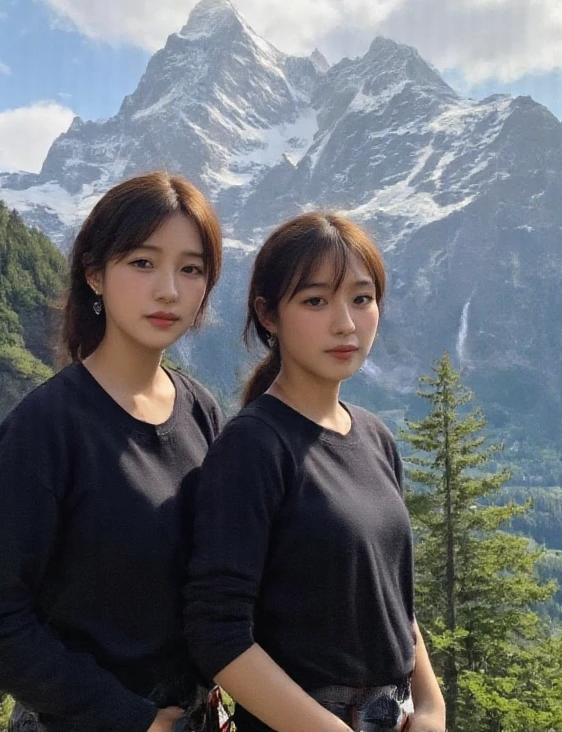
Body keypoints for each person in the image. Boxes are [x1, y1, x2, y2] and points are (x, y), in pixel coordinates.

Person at [0, 172, 226, 732]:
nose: (168, 289)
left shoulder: (201, 412)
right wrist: (124, 715)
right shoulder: (46, 428)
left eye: (190, 268)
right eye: (143, 263)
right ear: (95, 274)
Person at [183, 212, 446, 732]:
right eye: (315, 301)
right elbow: (217, 630)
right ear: (268, 314)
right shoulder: (253, 446)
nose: (345, 322)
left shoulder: (374, 437)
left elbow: (395, 606)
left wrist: (432, 707)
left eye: (361, 298)